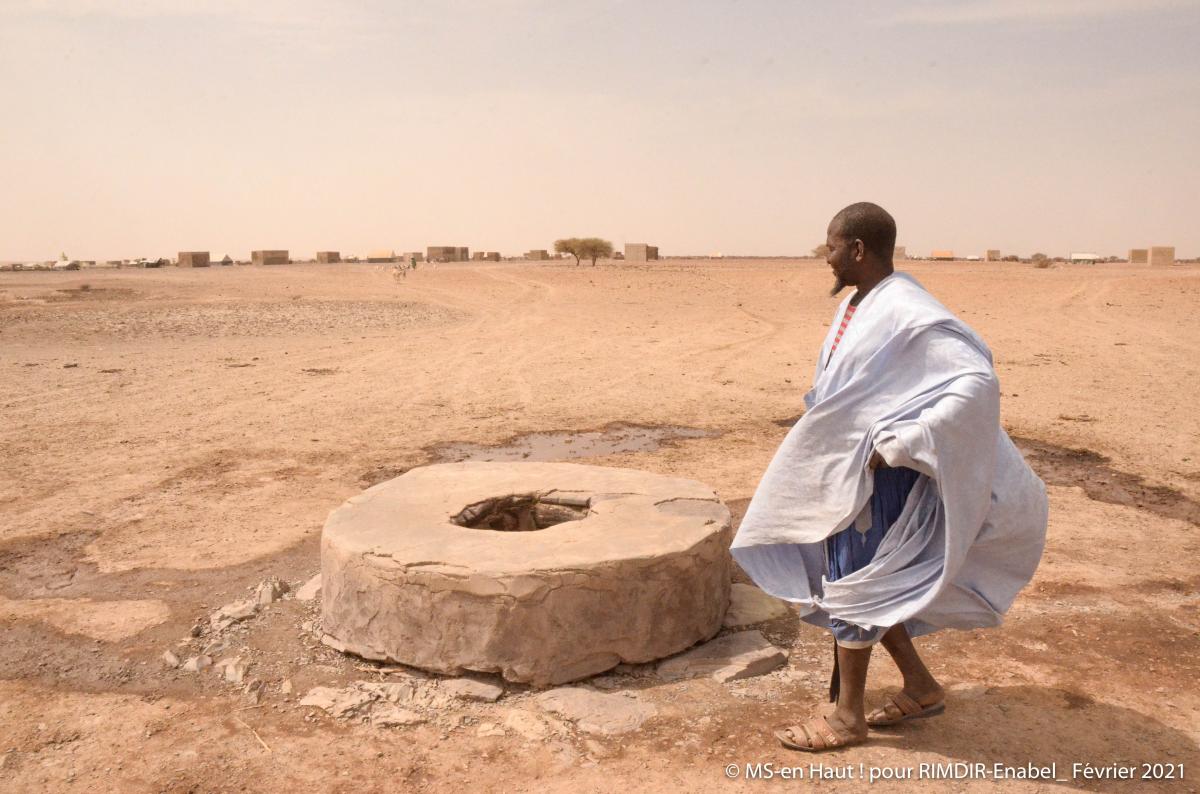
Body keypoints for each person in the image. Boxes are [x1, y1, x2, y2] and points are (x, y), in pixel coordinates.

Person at [731, 202, 1047, 752]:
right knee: (860, 579)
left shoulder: (906, 307)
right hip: (848, 466)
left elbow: (976, 382)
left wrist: (900, 443)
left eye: (830, 247)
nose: (825, 258)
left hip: (884, 477)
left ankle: (846, 719)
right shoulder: (861, 303)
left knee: (856, 583)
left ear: (857, 249)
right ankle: (921, 686)